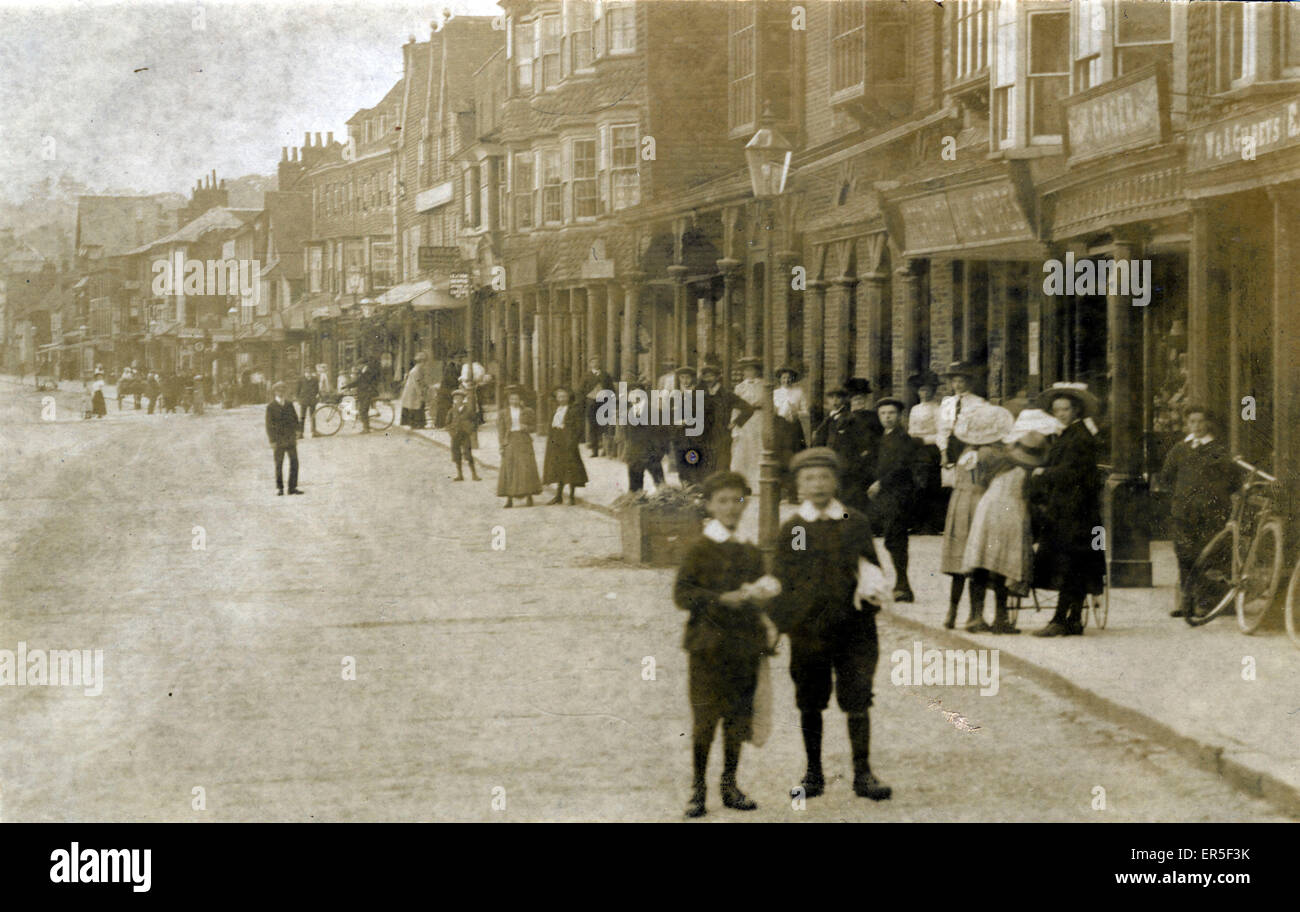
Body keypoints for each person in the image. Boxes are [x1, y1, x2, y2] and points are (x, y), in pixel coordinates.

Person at [768, 447, 893, 803]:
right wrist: (778, 624)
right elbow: (784, 576)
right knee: (810, 699)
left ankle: (863, 773)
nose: (818, 484)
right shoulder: (796, 528)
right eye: (809, 478)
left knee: (858, 697)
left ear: (835, 482)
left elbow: (871, 566)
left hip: (854, 627)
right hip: (808, 630)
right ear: (798, 486)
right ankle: (814, 772)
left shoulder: (853, 521)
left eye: (824, 477)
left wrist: (873, 588)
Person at [673, 470, 778, 818]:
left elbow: (759, 586)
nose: (731, 508)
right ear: (708, 506)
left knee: (738, 718)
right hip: (707, 645)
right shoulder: (699, 547)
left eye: (738, 501)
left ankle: (730, 784)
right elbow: (682, 595)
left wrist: (762, 594)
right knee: (705, 721)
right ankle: (698, 788)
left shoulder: (748, 548)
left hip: (744, 644)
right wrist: (721, 599)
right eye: (723, 501)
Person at [1029, 383, 1106, 637]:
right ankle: (1072, 619)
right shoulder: (1070, 434)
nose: (1061, 413)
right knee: (1077, 563)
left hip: (1075, 511)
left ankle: (1061, 619)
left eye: (1065, 409)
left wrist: (1044, 472)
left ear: (1076, 410)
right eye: (1057, 409)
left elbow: (1073, 472)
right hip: (1074, 510)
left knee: (1070, 563)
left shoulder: (1079, 437)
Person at [962, 432, 1050, 634]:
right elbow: (1035, 499)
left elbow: (981, 485)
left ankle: (975, 616)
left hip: (987, 510)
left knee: (981, 561)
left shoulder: (1001, 464)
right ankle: (1000, 619)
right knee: (1002, 565)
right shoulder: (1031, 472)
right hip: (1011, 515)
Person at [1157, 406, 1238, 618]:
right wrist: (1180, 495)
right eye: (1192, 422)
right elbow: (1166, 476)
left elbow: (1232, 480)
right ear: (1187, 425)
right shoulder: (1180, 449)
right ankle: (1187, 601)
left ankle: (1206, 601)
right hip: (1183, 512)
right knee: (1184, 555)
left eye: (1200, 422)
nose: (1197, 426)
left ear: (1208, 424)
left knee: (1208, 555)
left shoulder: (1219, 450)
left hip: (1211, 512)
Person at [940, 405, 1016, 631]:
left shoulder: (966, 451)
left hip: (960, 503)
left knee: (960, 562)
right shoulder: (994, 454)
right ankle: (988, 616)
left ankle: (952, 613)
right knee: (985, 560)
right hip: (983, 503)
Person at [869, 397, 918, 603]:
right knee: (889, 539)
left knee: (896, 539)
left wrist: (881, 483)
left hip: (898, 494)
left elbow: (902, 467)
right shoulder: (882, 438)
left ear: (899, 416)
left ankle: (903, 585)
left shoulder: (904, 440)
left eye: (891, 414)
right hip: (884, 496)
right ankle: (895, 583)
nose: (887, 418)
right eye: (883, 414)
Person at [831, 377, 883, 513]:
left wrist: (869, 452)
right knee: (849, 495)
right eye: (855, 399)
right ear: (850, 400)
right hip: (849, 461)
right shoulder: (843, 418)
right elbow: (838, 441)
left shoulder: (873, 417)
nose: (859, 401)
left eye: (862, 398)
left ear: (866, 399)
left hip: (869, 461)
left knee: (866, 493)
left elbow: (878, 438)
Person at [906, 371, 946, 534]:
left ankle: (930, 524)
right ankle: (916, 523)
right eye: (922, 389)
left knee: (928, 485)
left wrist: (924, 441)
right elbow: (911, 429)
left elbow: (941, 432)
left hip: (929, 449)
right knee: (915, 485)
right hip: (915, 449)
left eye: (928, 389)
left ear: (933, 391)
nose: (925, 393)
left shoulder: (937, 409)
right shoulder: (915, 409)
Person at [936, 361, 987, 484]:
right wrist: (943, 452)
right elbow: (943, 429)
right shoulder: (947, 402)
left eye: (961, 381)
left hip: (968, 443)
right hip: (952, 444)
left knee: (968, 479)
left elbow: (981, 427)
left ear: (968, 382)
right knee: (951, 480)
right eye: (954, 381)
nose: (957, 385)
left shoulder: (978, 402)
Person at [698, 358, 750, 478]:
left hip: (722, 435)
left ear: (717, 378)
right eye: (705, 377)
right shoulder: (701, 393)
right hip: (705, 434)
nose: (708, 380)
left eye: (711, 376)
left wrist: (735, 423)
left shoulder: (726, 395)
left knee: (722, 466)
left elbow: (748, 409)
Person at [497, 384, 542, 508]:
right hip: (510, 440)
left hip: (523, 440)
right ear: (508, 400)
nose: (514, 401)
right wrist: (501, 445)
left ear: (520, 399)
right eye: (512, 399)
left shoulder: (527, 411)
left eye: (516, 399)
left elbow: (534, 427)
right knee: (509, 468)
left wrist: (526, 427)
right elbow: (500, 431)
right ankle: (509, 499)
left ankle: (529, 496)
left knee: (526, 468)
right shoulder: (503, 413)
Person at [542, 386, 587, 505]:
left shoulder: (573, 410)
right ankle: (558, 496)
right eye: (559, 397)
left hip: (568, 441)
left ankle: (571, 496)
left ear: (568, 397)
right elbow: (552, 427)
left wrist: (573, 441)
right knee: (558, 468)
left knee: (571, 468)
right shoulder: (556, 410)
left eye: (564, 396)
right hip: (556, 441)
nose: (561, 399)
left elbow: (578, 428)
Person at [624, 376, 668, 492]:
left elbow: (662, 434)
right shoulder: (629, 412)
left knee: (661, 486)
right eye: (631, 393)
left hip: (651, 454)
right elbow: (627, 435)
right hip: (634, 455)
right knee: (635, 488)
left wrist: (658, 453)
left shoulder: (654, 411)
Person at [773, 365, 807, 500]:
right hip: (779, 427)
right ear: (780, 379)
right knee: (779, 459)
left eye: (789, 378)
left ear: (793, 379)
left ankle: (793, 493)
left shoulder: (799, 392)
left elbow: (805, 411)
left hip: (793, 428)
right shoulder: (774, 393)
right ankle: (779, 494)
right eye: (784, 378)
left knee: (793, 459)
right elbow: (769, 411)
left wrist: (796, 412)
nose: (786, 380)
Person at [729, 357, 764, 483]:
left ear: (757, 371)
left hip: (759, 418)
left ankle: (757, 482)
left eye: (752, 370)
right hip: (744, 420)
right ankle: (742, 481)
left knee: (757, 447)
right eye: (746, 370)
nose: (749, 373)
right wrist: (734, 423)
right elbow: (735, 406)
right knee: (743, 448)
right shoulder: (740, 387)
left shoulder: (763, 385)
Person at [266, 381, 303, 495]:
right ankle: (280, 488)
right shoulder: (271, 407)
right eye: (278, 391)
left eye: (282, 391)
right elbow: (269, 425)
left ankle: (292, 487)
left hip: (290, 437)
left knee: (294, 462)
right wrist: (272, 440)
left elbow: (295, 418)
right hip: (278, 440)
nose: (280, 393)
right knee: (279, 463)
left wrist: (297, 430)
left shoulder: (289, 404)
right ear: (275, 392)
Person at [579, 357, 613, 457]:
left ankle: (605, 449)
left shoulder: (605, 375)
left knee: (604, 426)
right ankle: (594, 450)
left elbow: (611, 389)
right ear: (590, 364)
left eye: (597, 362)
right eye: (593, 362)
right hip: (591, 403)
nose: (595, 364)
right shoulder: (586, 376)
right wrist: (585, 400)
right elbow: (581, 390)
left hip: (604, 403)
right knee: (593, 426)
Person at [448, 389, 481, 481]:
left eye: (459, 398)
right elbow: (448, 423)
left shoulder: (468, 410)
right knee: (456, 454)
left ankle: (474, 475)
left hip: (465, 434)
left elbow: (475, 421)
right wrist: (451, 431)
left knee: (468, 454)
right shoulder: (452, 410)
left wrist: (470, 429)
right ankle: (460, 475)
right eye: (455, 398)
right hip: (455, 435)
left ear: (463, 399)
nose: (457, 400)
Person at [399, 353, 429, 429]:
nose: (425, 364)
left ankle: (418, 424)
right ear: (421, 362)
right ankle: (415, 424)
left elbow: (421, 381)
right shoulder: (416, 370)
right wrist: (420, 393)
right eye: (424, 362)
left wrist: (425, 385)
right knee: (415, 407)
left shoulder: (418, 369)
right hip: (413, 392)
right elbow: (417, 384)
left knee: (417, 407)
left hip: (413, 391)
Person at [354, 358, 379, 433]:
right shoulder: (363, 370)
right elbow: (359, 381)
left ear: (363, 365)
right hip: (364, 392)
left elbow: (361, 381)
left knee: (363, 410)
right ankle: (366, 427)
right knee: (362, 410)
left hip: (368, 392)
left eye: (358, 365)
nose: (358, 367)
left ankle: (366, 428)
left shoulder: (368, 371)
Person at [435, 355, 461, 428]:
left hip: (446, 390)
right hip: (446, 391)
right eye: (458, 359)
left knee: (445, 407)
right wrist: (458, 381)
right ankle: (441, 424)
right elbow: (451, 379)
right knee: (444, 407)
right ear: (453, 359)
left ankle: (443, 424)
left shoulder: (452, 367)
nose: (459, 360)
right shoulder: (450, 368)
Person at [296, 368, 320, 438]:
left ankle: (314, 431)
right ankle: (300, 433)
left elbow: (317, 389)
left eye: (309, 372)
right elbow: (298, 390)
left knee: (313, 416)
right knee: (302, 417)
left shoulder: (315, 379)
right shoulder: (301, 379)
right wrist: (298, 399)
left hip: (312, 400)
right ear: (305, 373)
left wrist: (316, 397)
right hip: (304, 400)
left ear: (311, 373)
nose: (308, 374)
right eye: (307, 372)